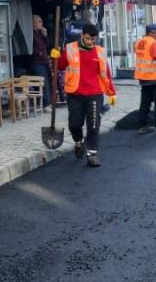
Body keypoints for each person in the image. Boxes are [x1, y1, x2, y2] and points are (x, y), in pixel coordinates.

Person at [56, 23, 117, 167]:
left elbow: (106, 74)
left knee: (94, 125)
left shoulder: (100, 52)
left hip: (94, 94)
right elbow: (59, 66)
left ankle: (92, 154)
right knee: (75, 124)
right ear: (82, 35)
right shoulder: (70, 49)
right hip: (75, 93)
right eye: (88, 38)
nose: (90, 42)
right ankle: (78, 141)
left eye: (93, 39)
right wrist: (56, 56)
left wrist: (111, 93)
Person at [30, 14, 51, 105]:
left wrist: (45, 35)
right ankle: (45, 104)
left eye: (41, 21)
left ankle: (47, 102)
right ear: (33, 23)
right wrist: (38, 53)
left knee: (47, 81)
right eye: (39, 21)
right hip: (37, 61)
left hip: (44, 60)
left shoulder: (40, 33)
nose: (41, 23)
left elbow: (47, 45)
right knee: (43, 83)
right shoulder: (30, 34)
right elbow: (30, 48)